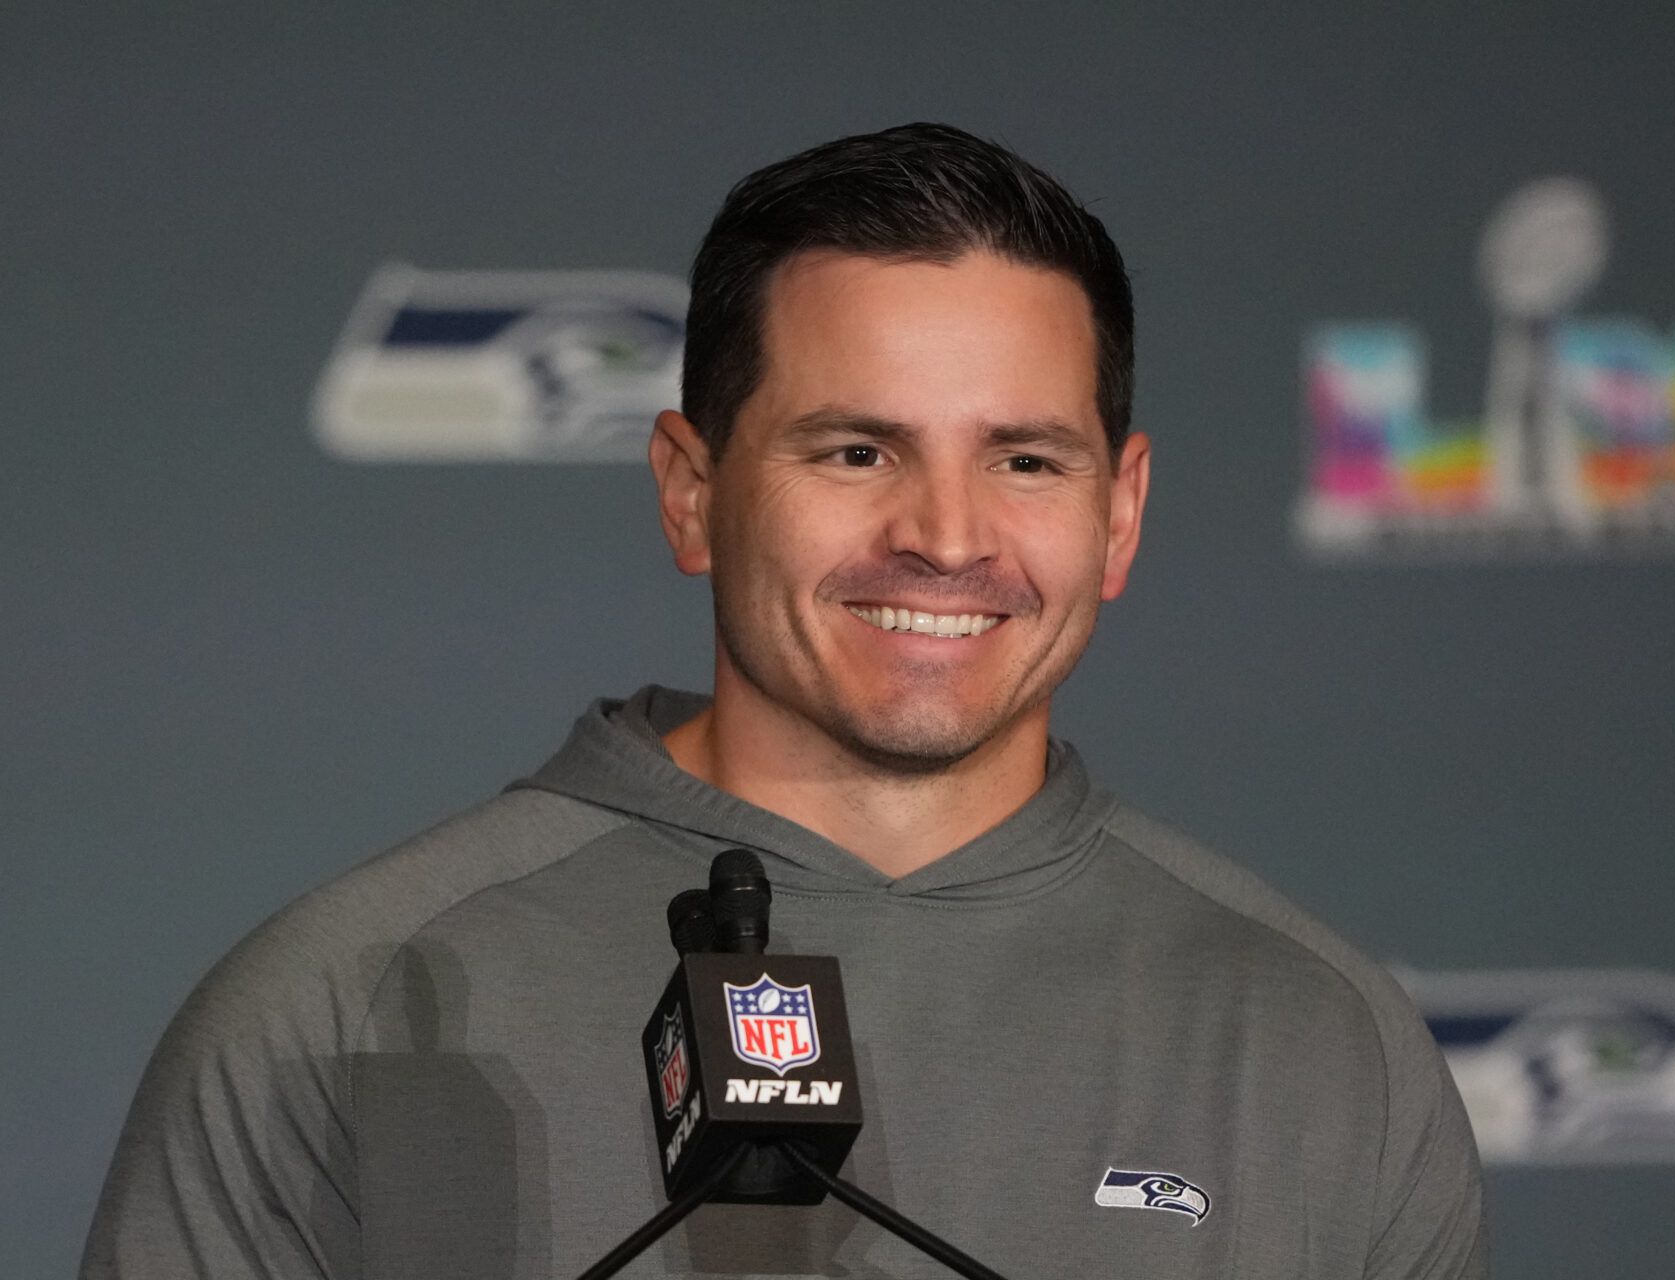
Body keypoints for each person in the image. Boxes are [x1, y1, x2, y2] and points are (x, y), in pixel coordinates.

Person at [82, 123, 1487, 1279]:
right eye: (858, 449)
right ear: (691, 491)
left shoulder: (1320, 1043)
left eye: (1026, 462)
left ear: (1121, 517)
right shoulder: (349, 1004)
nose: (946, 536)